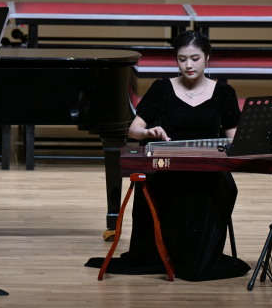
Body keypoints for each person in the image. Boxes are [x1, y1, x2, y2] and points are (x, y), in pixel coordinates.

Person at [86, 30, 250, 281]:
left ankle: (196, 255)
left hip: (206, 171)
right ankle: (166, 253)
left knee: (223, 188)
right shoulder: (162, 88)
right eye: (182, 59)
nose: (188, 65)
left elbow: (233, 136)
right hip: (167, 168)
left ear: (207, 58)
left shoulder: (223, 92)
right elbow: (134, 130)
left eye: (195, 58)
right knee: (166, 188)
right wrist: (148, 132)